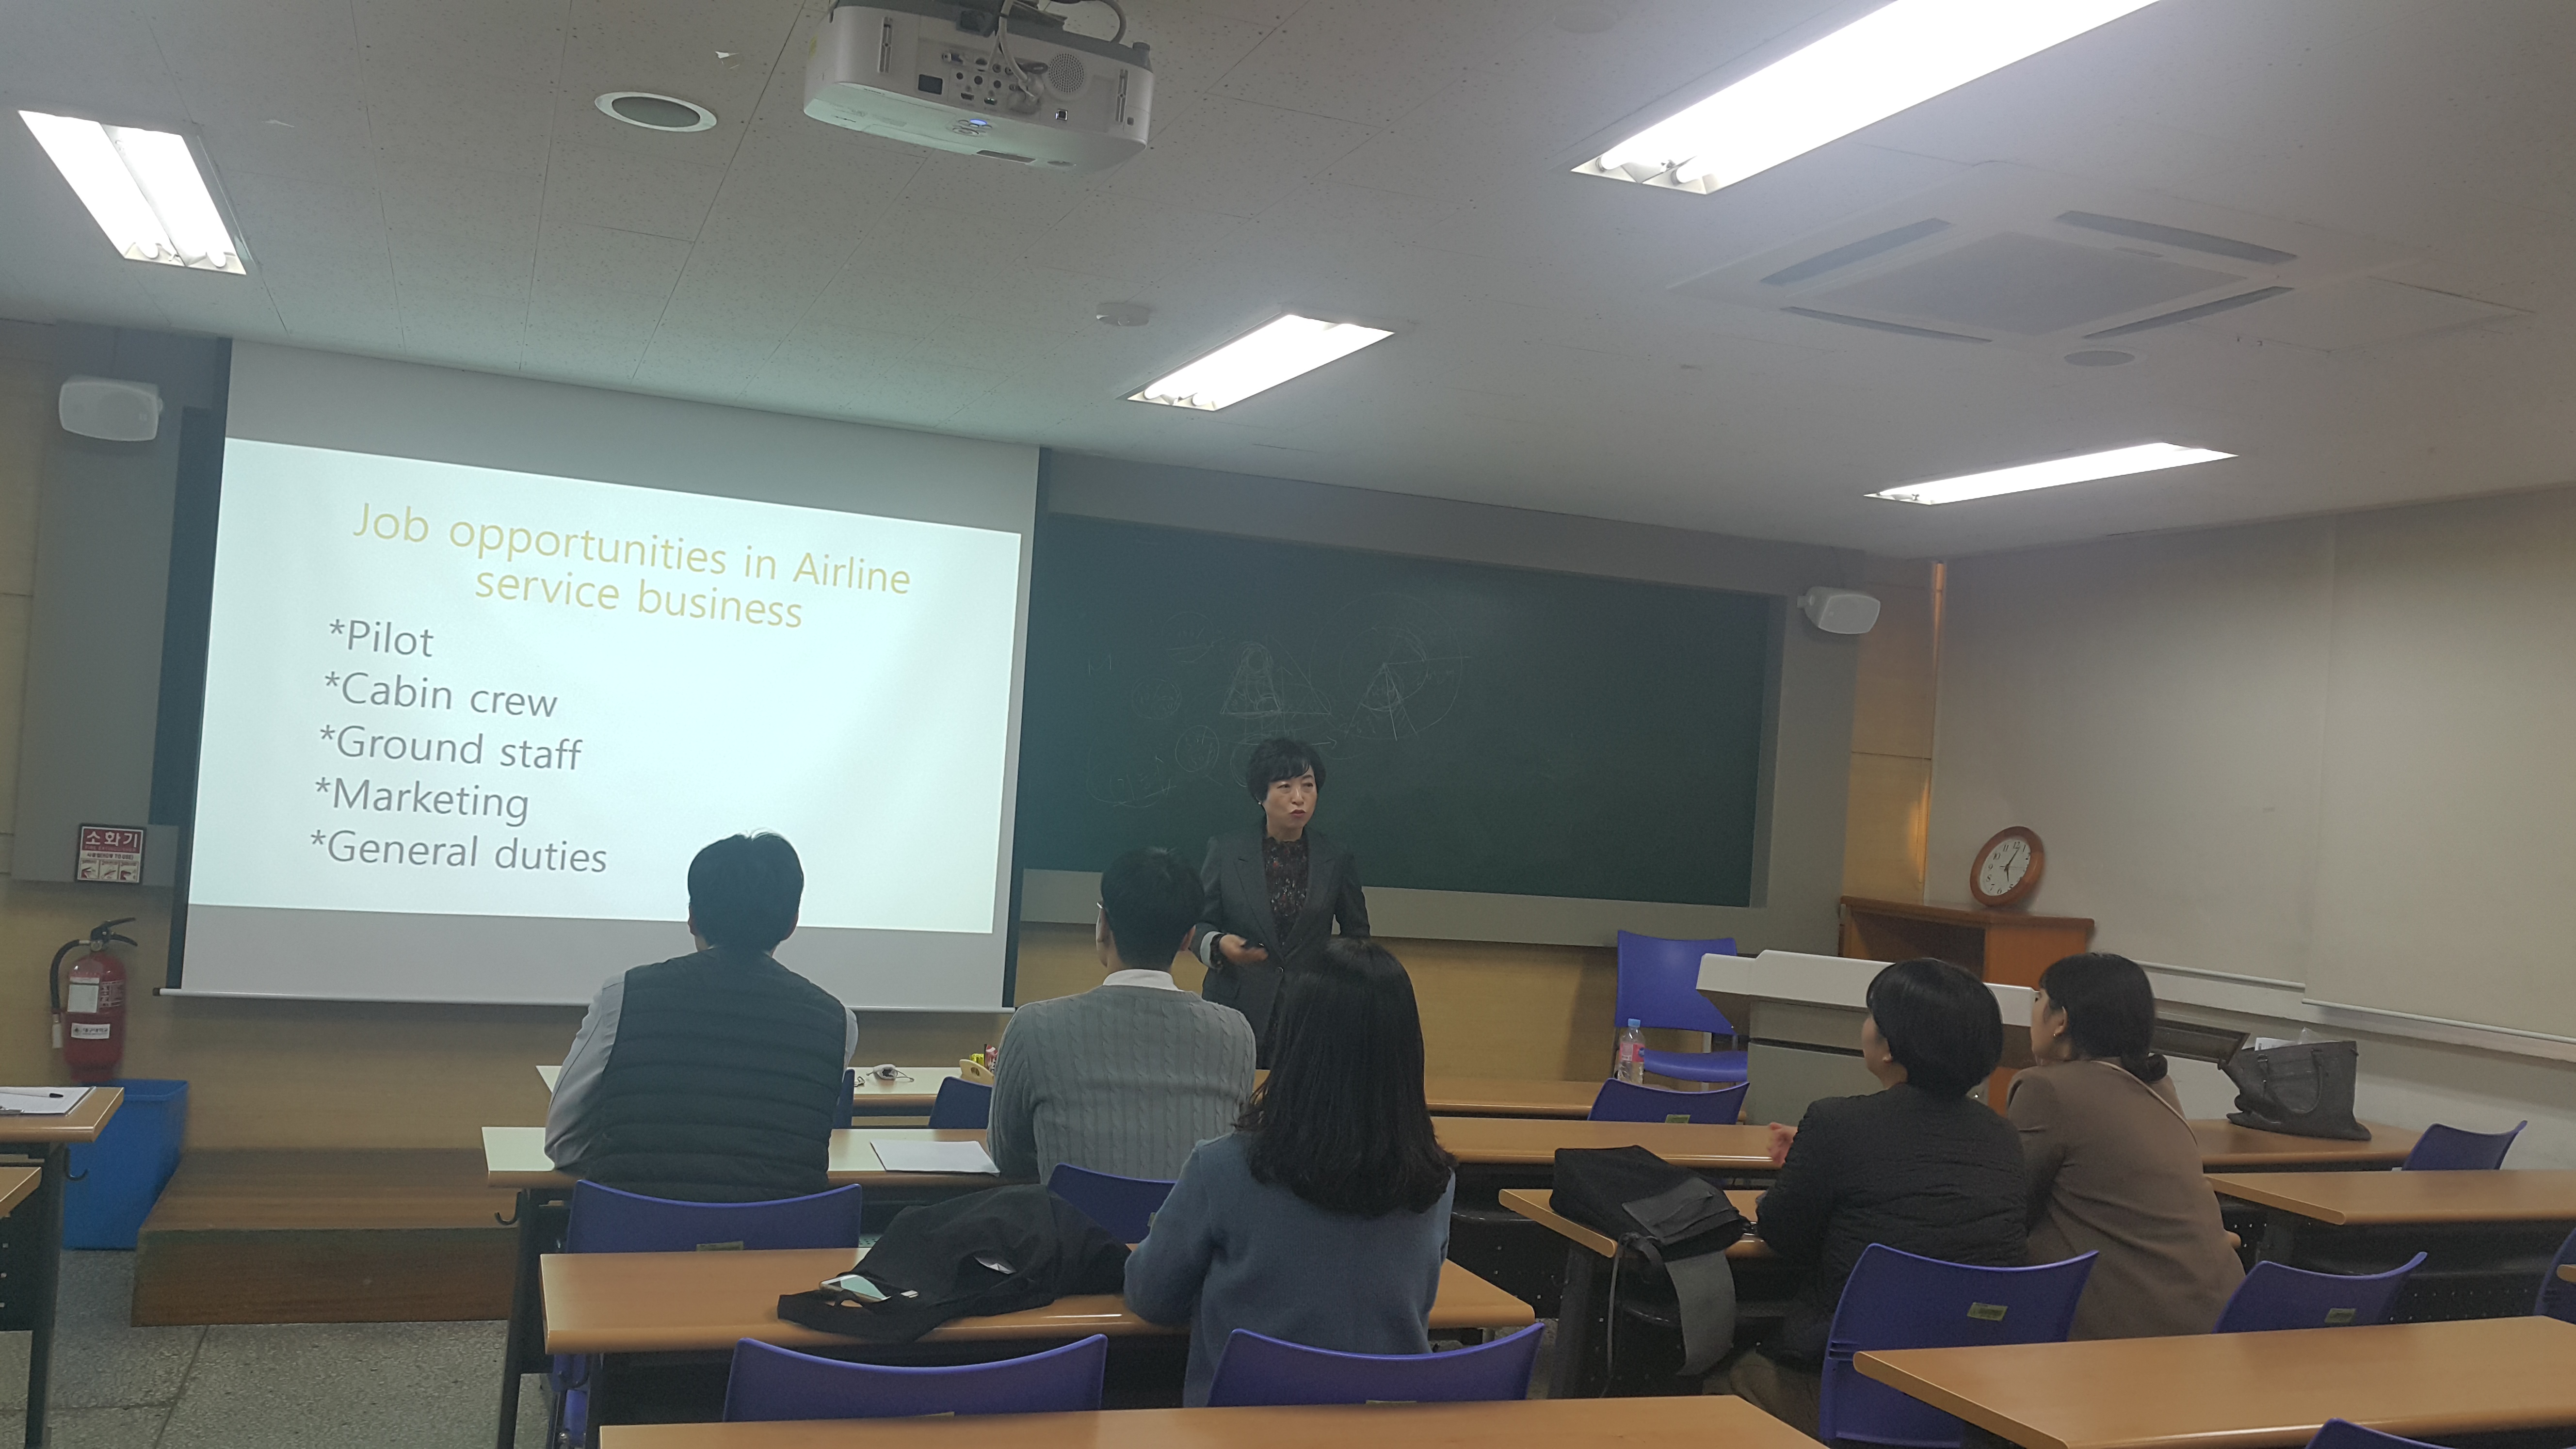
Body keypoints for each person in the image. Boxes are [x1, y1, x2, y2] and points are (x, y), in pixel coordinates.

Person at [1125, 938, 1456, 1407]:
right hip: (1383, 1429)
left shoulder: (1222, 1168)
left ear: (1295, 1042)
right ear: (1408, 1051)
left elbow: (1151, 1296)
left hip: (1241, 1433)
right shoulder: (1436, 1183)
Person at [1724, 958, 2025, 1437]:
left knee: (1724, 1381)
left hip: (1853, 1387)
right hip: (1969, 1399)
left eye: (1871, 1016)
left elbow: (1781, 1234)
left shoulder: (1836, 1123)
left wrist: (1802, 1175)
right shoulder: (2003, 1137)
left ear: (1888, 1048)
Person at [544, 833, 857, 1202]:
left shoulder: (622, 996)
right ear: (793, 923)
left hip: (637, 1231)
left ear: (692, 918)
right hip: (776, 1234)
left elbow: (563, 1143)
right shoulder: (837, 1021)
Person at [988, 847, 1257, 1187]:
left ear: (1103, 926)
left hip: (1073, 1220)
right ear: (1188, 939)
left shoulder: (1032, 1028)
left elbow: (1008, 1156)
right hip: (1188, 1223)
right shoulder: (1234, 1033)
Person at [2012, 952, 2242, 1338]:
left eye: (2039, 997)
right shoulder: (2157, 1085)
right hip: (2217, 1316)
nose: (2034, 1009)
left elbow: (2011, 1205)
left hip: (2130, 1328)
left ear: (2061, 1020)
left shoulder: (2046, 1090)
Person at [1189, 736, 1369, 1063]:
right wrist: (1218, 944)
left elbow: (1357, 936)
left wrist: (1334, 985)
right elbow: (1198, 922)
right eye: (1285, 787)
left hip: (1310, 1013)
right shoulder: (1227, 851)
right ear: (1261, 795)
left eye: (1308, 786)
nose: (1299, 798)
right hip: (1235, 1009)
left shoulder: (1336, 857)